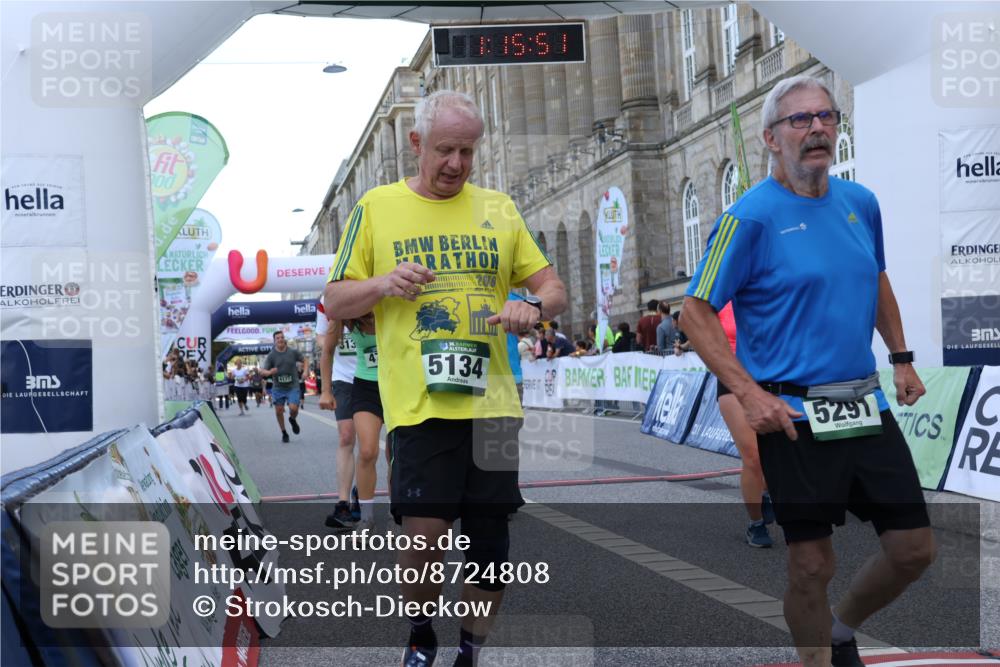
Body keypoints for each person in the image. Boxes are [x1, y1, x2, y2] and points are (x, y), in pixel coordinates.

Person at [679, 75, 934, 667]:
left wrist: (900, 358)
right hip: (791, 413)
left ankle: (842, 629)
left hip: (863, 403)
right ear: (770, 138)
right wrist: (747, 393)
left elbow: (875, 279)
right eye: (800, 120)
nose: (817, 128)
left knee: (913, 550)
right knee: (811, 563)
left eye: (827, 117)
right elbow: (694, 313)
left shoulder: (859, 202)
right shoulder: (747, 219)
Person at [324, 89, 566, 667]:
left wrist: (535, 310)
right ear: (417, 144)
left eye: (467, 151)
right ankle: (421, 631)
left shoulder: (499, 209)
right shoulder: (377, 209)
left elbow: (553, 287)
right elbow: (333, 298)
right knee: (423, 542)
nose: (456, 163)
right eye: (445, 150)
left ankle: (469, 651)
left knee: (489, 549)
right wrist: (382, 284)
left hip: (494, 406)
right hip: (419, 407)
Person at [714, 302, 774, 547]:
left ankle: (767, 493)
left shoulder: (769, 287)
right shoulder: (718, 294)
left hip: (773, 375)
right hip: (733, 379)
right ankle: (756, 523)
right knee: (753, 457)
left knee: (776, 454)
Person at [317, 300, 361, 529]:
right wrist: (333, 341)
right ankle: (343, 503)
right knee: (346, 436)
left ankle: (364, 490)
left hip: (377, 374)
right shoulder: (328, 300)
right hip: (344, 378)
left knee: (377, 444)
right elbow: (321, 338)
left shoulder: (377, 284)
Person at [260, 331, 306, 443]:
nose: (280, 339)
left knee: (293, 408)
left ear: (284, 339)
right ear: (275, 341)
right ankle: (284, 432)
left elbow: (305, 360)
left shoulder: (292, 352)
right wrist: (270, 371)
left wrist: (306, 371)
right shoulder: (272, 355)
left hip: (292, 386)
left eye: (282, 337)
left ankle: (292, 419)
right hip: (278, 388)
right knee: (279, 411)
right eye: (277, 338)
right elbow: (262, 371)